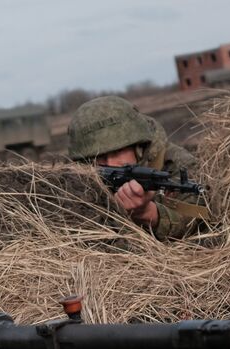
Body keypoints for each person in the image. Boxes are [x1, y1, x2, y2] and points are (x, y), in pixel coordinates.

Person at [66, 95, 209, 241]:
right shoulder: (78, 178)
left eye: (117, 152)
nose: (109, 163)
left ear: (138, 146)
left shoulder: (177, 164)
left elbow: (199, 220)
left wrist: (147, 213)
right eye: (98, 158)